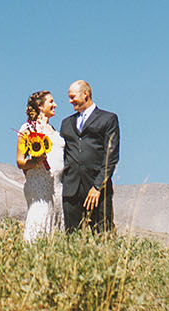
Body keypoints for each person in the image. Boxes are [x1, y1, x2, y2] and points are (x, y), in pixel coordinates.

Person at [59, 79, 119, 233]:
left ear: (85, 94)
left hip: (97, 189)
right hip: (71, 190)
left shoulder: (108, 119)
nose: (70, 101)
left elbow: (111, 156)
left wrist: (98, 186)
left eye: (73, 97)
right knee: (71, 238)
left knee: (102, 235)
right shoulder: (66, 123)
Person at [16, 89, 65, 241]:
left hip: (57, 186)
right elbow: (20, 162)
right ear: (40, 106)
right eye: (51, 102)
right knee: (39, 219)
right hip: (39, 184)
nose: (55, 105)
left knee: (56, 225)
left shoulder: (55, 130)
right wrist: (36, 161)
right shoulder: (28, 129)